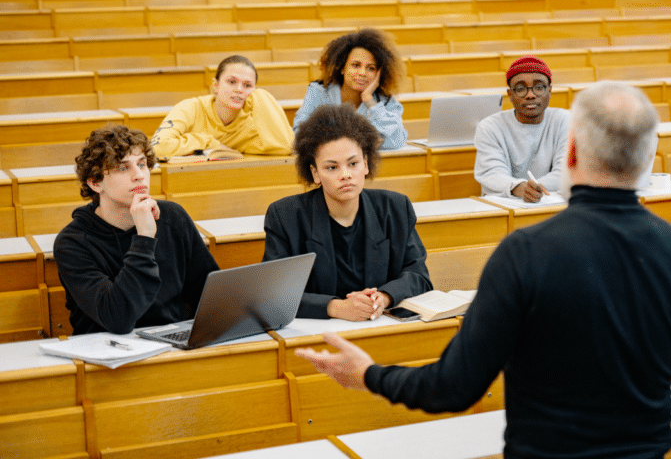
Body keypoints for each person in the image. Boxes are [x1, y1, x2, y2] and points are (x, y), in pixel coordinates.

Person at [296, 81, 671, 459]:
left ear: (569, 155)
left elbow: (454, 387)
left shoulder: (526, 252)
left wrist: (368, 374)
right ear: (648, 159)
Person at [263, 104, 431, 321]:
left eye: (353, 163)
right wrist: (334, 307)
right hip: (317, 334)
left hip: (378, 325)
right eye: (332, 167)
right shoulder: (285, 216)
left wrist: (385, 297)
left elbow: (419, 276)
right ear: (314, 173)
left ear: (366, 164)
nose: (346, 175)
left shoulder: (395, 208)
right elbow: (274, 294)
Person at [54, 125, 219, 335]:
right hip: (107, 354)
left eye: (142, 164)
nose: (139, 175)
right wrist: (144, 239)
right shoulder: (72, 243)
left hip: (171, 347)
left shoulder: (172, 218)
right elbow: (118, 318)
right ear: (95, 183)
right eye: (123, 168)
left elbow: (210, 294)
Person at [150, 55, 294, 160]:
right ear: (216, 85)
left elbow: (285, 148)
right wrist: (210, 143)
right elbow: (158, 148)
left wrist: (261, 96)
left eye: (247, 85)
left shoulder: (251, 125)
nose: (239, 89)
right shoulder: (190, 108)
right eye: (231, 82)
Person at [291, 28, 409, 150]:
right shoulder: (319, 92)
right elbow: (299, 134)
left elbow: (397, 140)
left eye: (371, 68)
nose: (362, 72)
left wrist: (369, 100)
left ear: (380, 73)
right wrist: (362, 141)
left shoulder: (385, 101)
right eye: (356, 65)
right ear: (342, 68)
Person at [474, 55, 570, 203]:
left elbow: (566, 171)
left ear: (550, 91)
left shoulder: (565, 120)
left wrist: (534, 189)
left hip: (551, 204)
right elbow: (491, 174)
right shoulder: (490, 127)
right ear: (510, 94)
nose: (530, 95)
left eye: (539, 87)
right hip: (503, 205)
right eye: (520, 89)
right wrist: (519, 188)